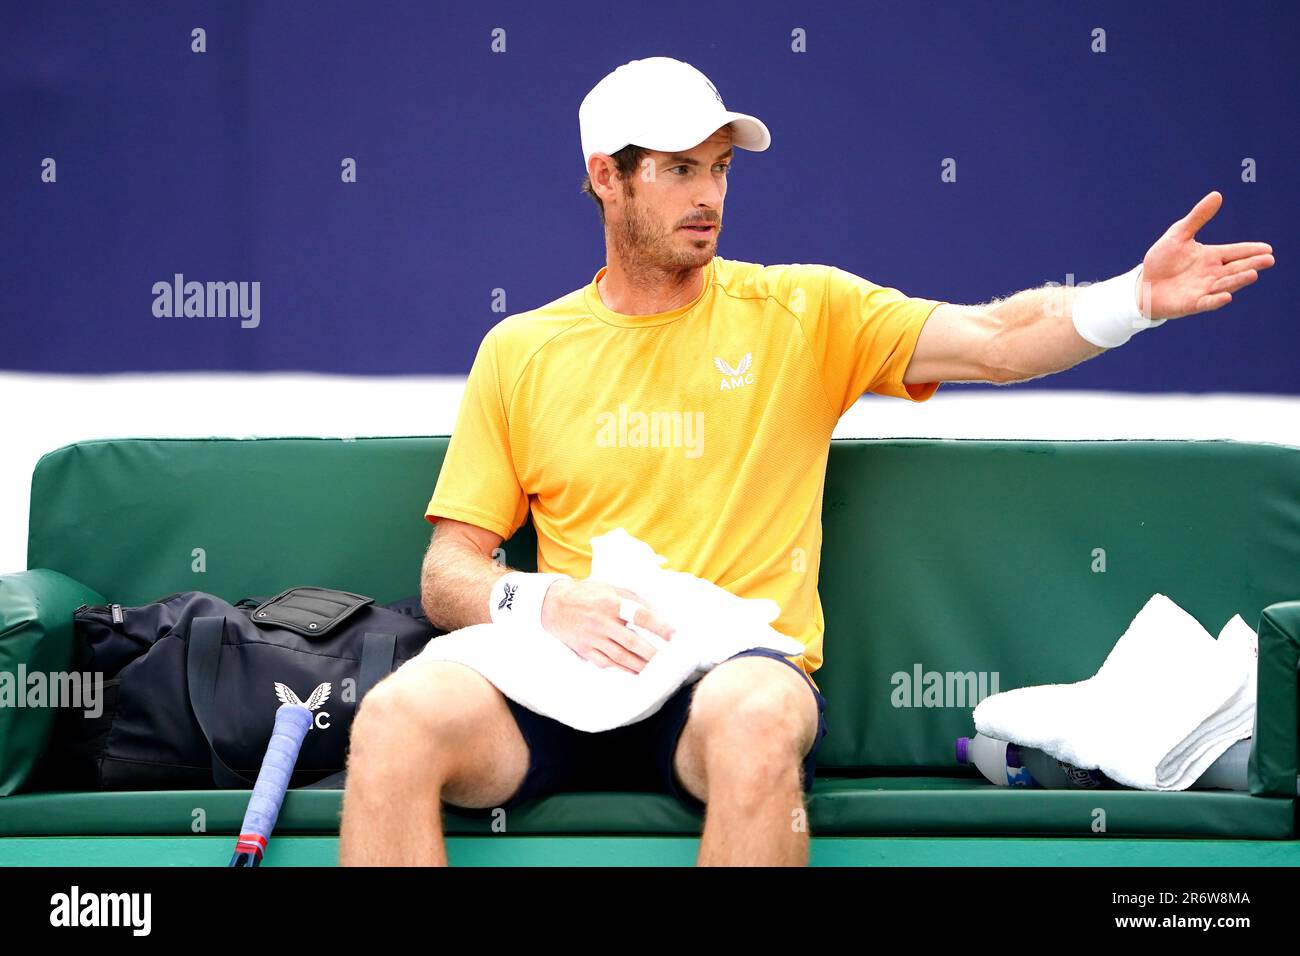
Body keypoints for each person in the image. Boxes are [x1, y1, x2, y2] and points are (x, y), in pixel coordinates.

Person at [338, 56, 1274, 867]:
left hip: (728, 679)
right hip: (562, 675)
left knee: (754, 723)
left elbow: (997, 339)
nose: (708, 195)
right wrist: (548, 601)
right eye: (675, 170)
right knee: (393, 720)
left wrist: (1134, 299)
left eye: (718, 168)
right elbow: (451, 572)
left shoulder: (804, 312)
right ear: (606, 178)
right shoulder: (521, 349)